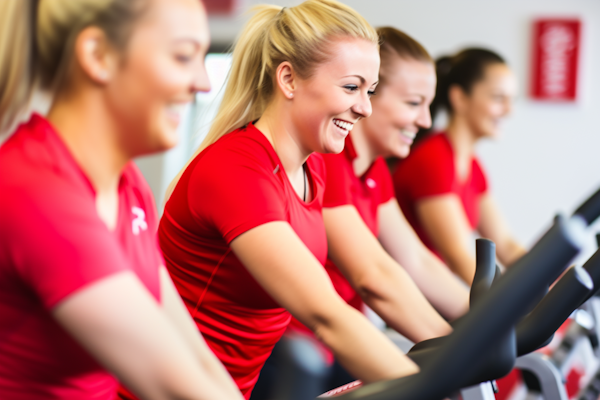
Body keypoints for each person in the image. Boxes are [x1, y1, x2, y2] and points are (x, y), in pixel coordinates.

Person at [159, 1, 420, 398]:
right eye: (351, 87)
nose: (364, 108)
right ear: (289, 79)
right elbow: (325, 315)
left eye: (370, 91)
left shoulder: (312, 170)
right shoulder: (238, 170)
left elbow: (378, 272)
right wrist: (430, 388)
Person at [0, 1, 243, 399]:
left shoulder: (129, 187)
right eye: (184, 56)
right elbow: (173, 389)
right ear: (99, 56)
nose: (203, 81)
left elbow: (192, 356)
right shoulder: (34, 192)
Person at [250, 26, 471, 400]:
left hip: (334, 345)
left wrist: (488, 321)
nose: (425, 121)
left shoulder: (374, 170)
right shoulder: (327, 163)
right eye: (413, 103)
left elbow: (415, 260)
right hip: (295, 352)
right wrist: (461, 347)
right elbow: (373, 277)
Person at [393, 48, 527, 285]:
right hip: (418, 301)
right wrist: (515, 304)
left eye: (511, 100)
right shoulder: (433, 159)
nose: (509, 110)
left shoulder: (472, 166)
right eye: (498, 98)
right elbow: (460, 258)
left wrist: (553, 280)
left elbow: (505, 244)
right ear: (460, 98)